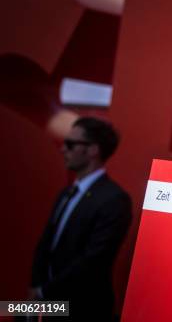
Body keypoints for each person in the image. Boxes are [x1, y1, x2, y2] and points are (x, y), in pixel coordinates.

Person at [30, 117, 132, 321]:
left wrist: (43, 292)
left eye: (70, 144)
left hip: (83, 309)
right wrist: (36, 292)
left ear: (93, 150)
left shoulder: (114, 199)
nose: (63, 150)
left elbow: (93, 260)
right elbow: (46, 244)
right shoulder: (66, 193)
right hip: (49, 305)